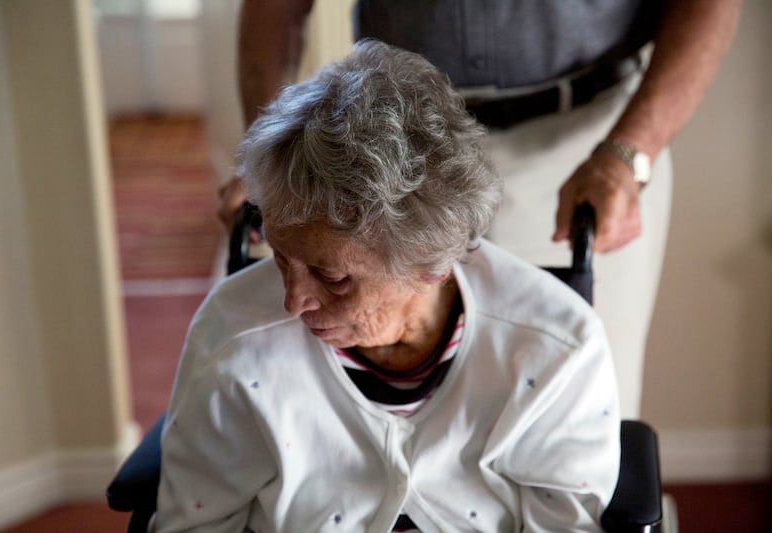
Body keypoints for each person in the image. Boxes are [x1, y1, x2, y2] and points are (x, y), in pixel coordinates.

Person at [153, 41, 620, 531]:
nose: (293, 301)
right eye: (281, 258)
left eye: (331, 277)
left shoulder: (557, 348)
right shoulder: (231, 345)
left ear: (430, 265)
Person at [220, 0, 741, 419]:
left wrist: (630, 151)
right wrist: (268, 161)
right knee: (342, 389)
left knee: (581, 397)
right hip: (388, 151)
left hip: (583, 142)